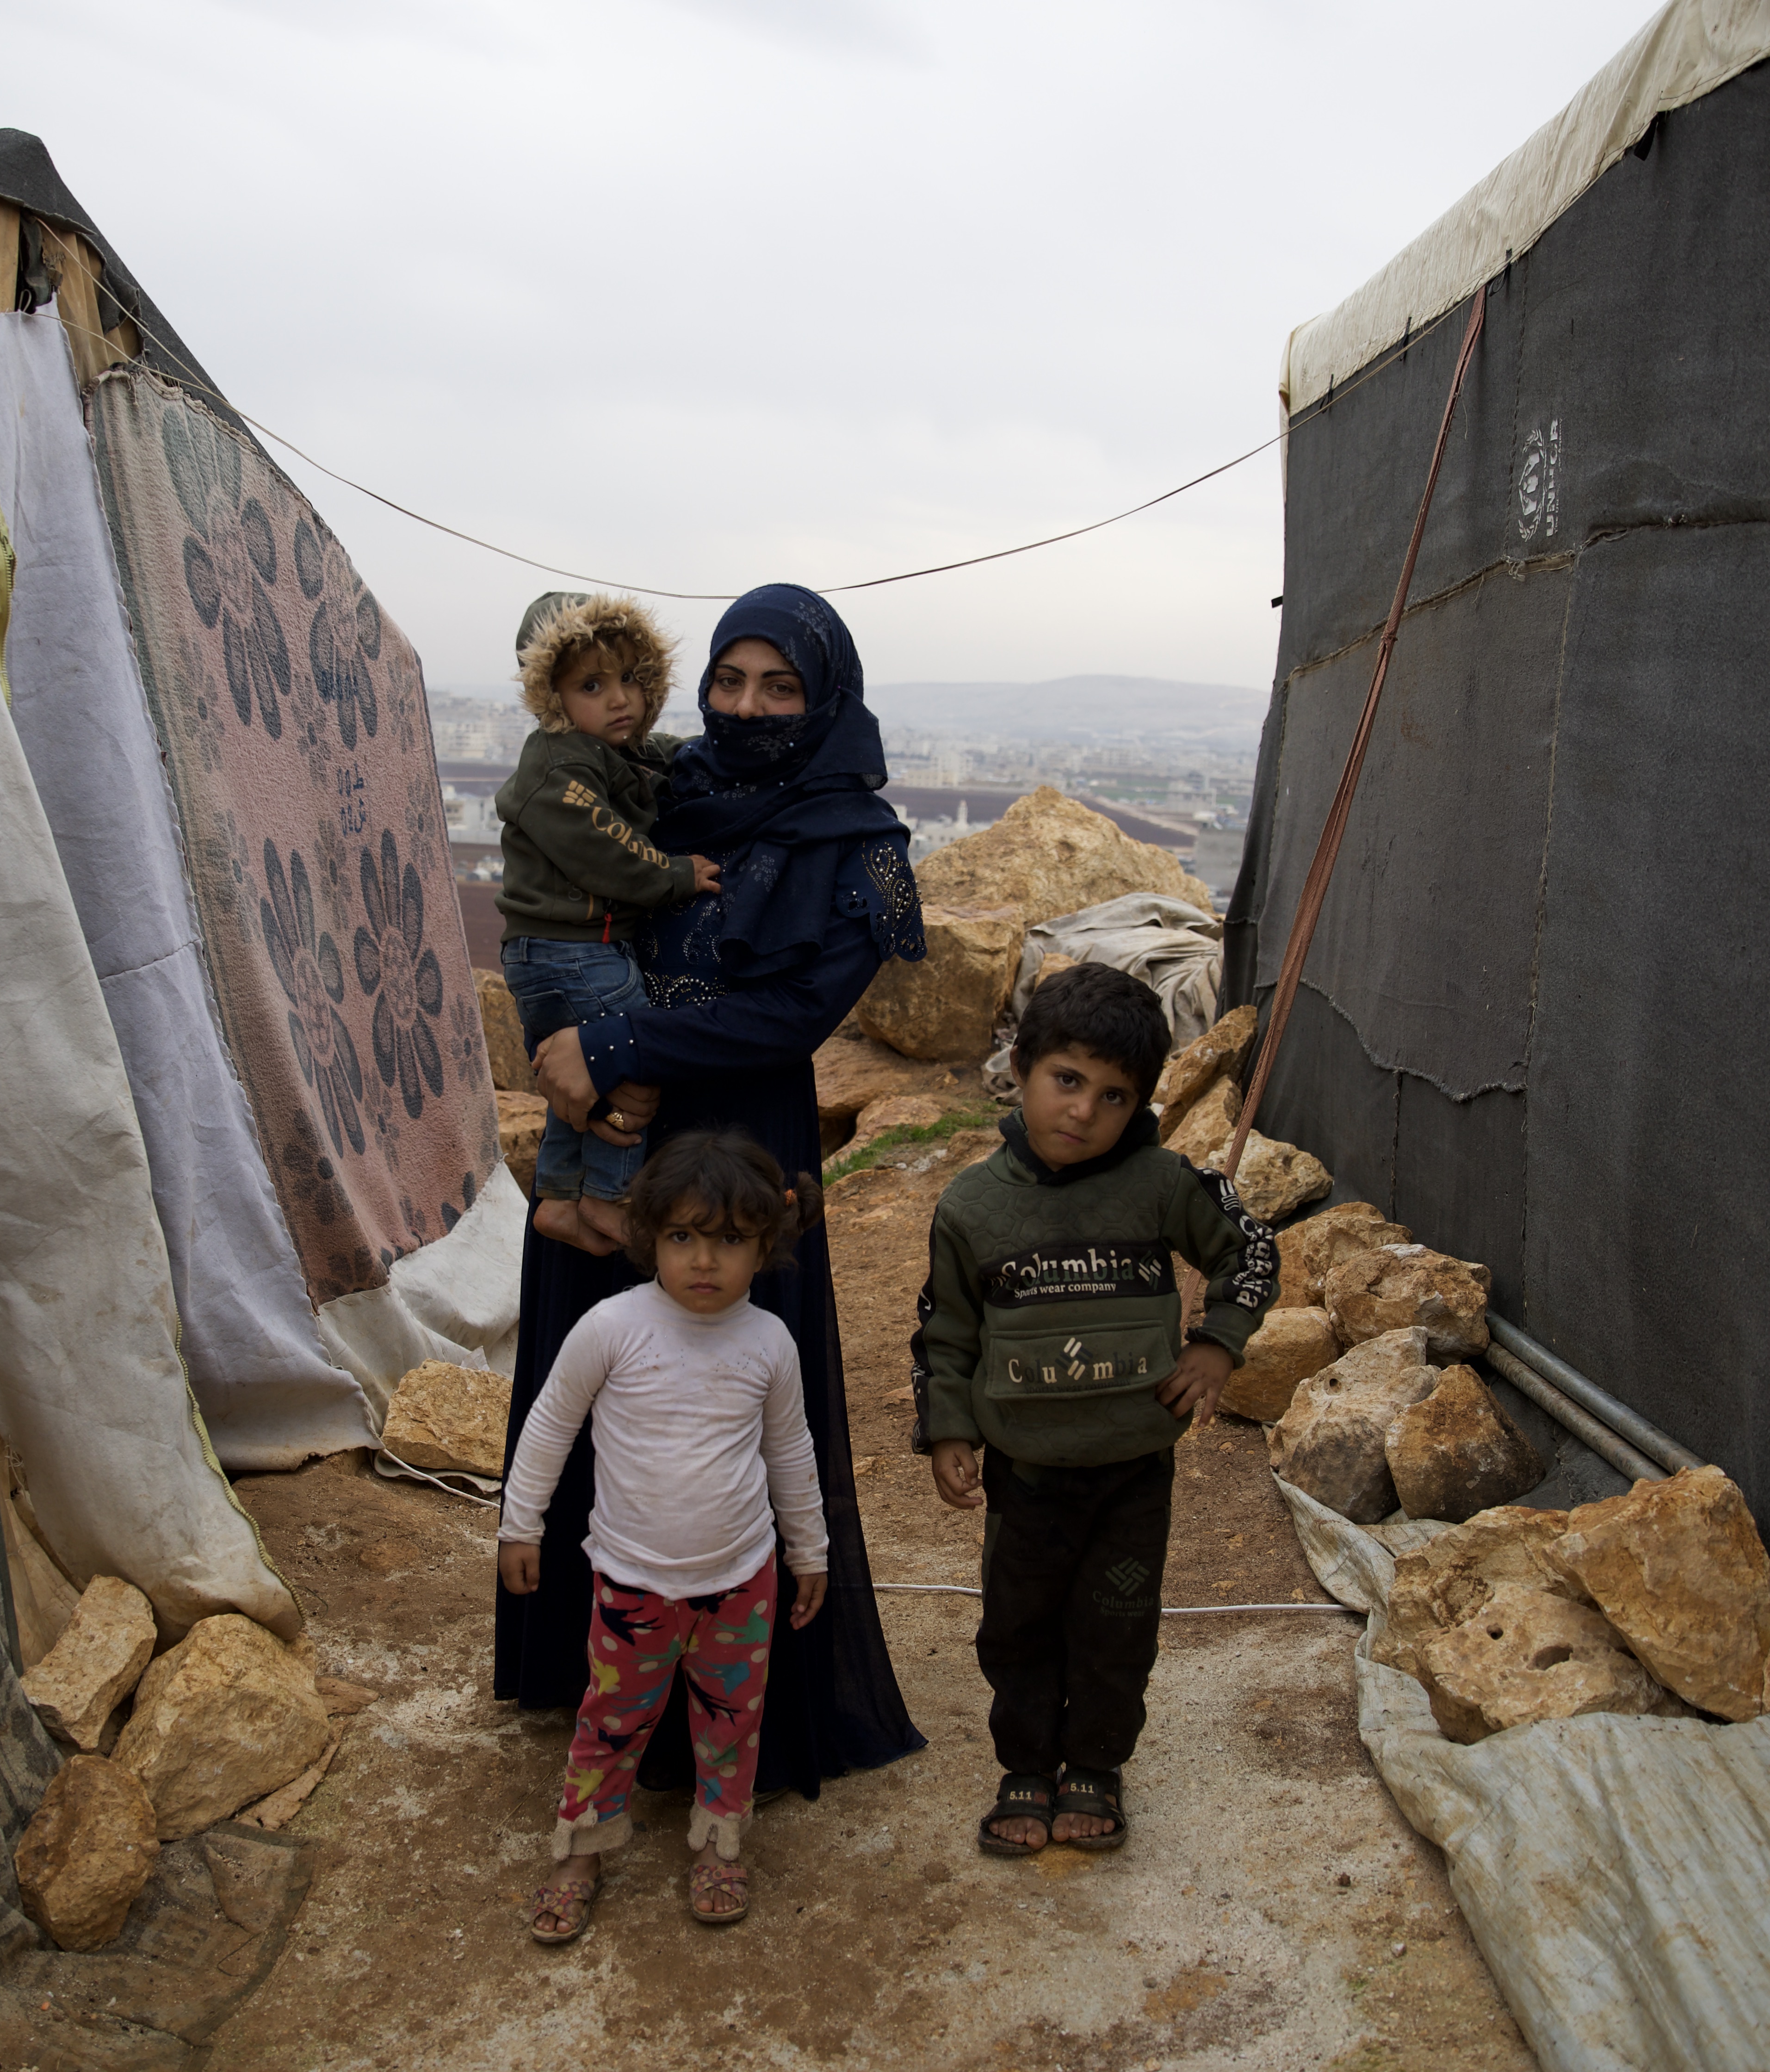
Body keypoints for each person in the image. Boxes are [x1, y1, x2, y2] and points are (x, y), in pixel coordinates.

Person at [494, 582, 928, 1807]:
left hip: (736, 1137)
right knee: (596, 1380)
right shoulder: (668, 792)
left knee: (737, 1405)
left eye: (778, 685)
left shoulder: (857, 843)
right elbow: (576, 908)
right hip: (617, 1128)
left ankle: (735, 1714)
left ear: (825, 694)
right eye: (730, 681)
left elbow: (793, 1014)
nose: (748, 706)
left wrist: (618, 1055)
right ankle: (584, 1671)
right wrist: (575, 1055)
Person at [913, 962, 1279, 1854]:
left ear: (1140, 1103)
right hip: (1026, 1475)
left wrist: (1215, 1342)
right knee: (1019, 1623)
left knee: (1117, 1627)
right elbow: (946, 1332)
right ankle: (1027, 1766)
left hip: (1132, 1474)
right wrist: (949, 1428)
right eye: (1066, 1081)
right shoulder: (971, 1206)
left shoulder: (1160, 1184)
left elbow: (1252, 1251)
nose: (1083, 1111)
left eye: (1113, 1096)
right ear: (1023, 1068)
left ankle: (1096, 1766)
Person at [498, 1131, 831, 1942]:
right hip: (632, 1586)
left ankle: (720, 1844)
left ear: (765, 1244)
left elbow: (791, 1449)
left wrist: (809, 1550)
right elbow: (550, 1425)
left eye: (728, 1240)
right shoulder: (611, 1327)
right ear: (650, 1237)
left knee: (730, 1726)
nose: (705, 1260)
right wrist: (520, 1524)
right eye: (683, 1236)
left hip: (741, 1586)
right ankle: (581, 1851)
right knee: (610, 1723)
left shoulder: (769, 1342)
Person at [494, 592, 724, 1255]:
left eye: (630, 678)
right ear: (552, 698)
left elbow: (660, 760)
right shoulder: (560, 764)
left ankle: (560, 1199)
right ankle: (610, 1197)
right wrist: (677, 876)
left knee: (582, 1083)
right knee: (632, 1059)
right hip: (572, 955)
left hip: (561, 954)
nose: (619, 698)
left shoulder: (607, 752)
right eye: (592, 685)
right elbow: (608, 851)